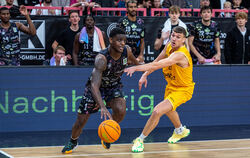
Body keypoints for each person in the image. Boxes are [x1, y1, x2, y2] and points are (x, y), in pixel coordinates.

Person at [61, 27, 140, 154]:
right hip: (96, 88)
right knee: (81, 121)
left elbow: (137, 64)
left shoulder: (127, 51)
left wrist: (147, 71)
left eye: (124, 40)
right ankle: (73, 141)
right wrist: (102, 106)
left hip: (114, 85)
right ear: (110, 40)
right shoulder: (101, 59)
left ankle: (107, 134)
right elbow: (94, 86)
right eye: (119, 40)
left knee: (121, 110)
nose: (122, 43)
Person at [124, 26, 195, 152]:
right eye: (173, 35)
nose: (174, 38)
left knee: (157, 111)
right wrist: (145, 75)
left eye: (178, 37)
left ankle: (140, 139)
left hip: (183, 89)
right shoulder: (168, 46)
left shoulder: (180, 55)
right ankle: (180, 130)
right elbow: (157, 60)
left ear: (184, 40)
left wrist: (136, 68)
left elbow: (157, 65)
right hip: (171, 86)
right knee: (169, 110)